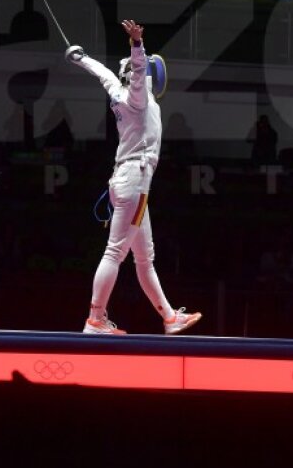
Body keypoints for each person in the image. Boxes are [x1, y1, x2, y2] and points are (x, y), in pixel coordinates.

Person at [65, 20, 201, 336]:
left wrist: (80, 57)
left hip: (126, 182)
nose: (145, 75)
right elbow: (138, 72)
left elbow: (103, 74)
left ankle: (169, 317)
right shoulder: (137, 99)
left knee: (144, 257)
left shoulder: (118, 92)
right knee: (115, 252)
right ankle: (95, 319)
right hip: (135, 181)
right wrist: (137, 44)